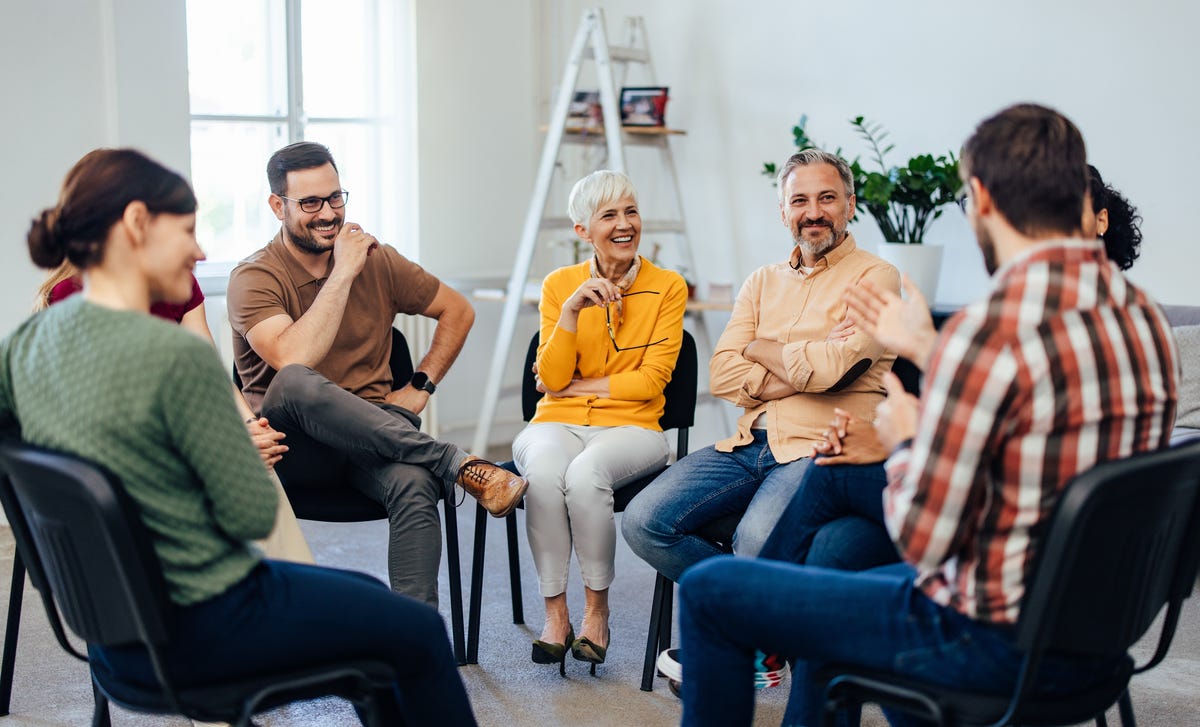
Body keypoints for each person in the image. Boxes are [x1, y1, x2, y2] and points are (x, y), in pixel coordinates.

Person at [674, 104, 1179, 727]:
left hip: (988, 636)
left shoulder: (988, 332)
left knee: (709, 591)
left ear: (984, 201)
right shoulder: (1142, 313)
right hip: (1097, 629)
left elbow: (926, 538)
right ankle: (781, 619)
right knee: (835, 544)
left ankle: (761, 620)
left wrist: (907, 439)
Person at [1, 148, 476, 724]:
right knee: (417, 627)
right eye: (188, 232)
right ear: (135, 226)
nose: (200, 251)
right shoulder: (174, 355)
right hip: (208, 623)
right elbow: (251, 513)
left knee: (365, 598)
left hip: (111, 640)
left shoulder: (21, 349)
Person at [754, 161, 1148, 572]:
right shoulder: (1074, 311)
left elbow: (1015, 445)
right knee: (837, 544)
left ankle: (744, 605)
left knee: (828, 478)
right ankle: (776, 621)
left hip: (1018, 518)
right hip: (1013, 495)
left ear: (1100, 220)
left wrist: (899, 444)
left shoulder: (1080, 321)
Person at [226, 141, 527, 606]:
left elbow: (458, 310)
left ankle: (415, 638)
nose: (328, 214)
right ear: (277, 206)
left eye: (335, 198)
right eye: (310, 203)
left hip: (375, 437)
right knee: (292, 380)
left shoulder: (378, 258)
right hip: (297, 451)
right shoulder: (255, 277)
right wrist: (342, 271)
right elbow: (294, 357)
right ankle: (455, 462)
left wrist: (420, 386)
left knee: (413, 482)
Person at [621, 148, 900, 584]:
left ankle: (743, 628)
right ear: (783, 211)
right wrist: (807, 365)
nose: (813, 213)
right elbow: (722, 375)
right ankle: (750, 622)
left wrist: (761, 346)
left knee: (755, 543)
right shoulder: (762, 281)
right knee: (644, 521)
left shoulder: (877, 277)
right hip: (747, 443)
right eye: (799, 201)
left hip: (819, 447)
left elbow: (834, 371)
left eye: (826, 198)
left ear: (851, 205)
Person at [513, 170, 686, 674]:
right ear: (583, 230)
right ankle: (556, 614)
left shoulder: (667, 287)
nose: (625, 223)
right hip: (556, 422)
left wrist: (577, 387)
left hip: (635, 429)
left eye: (630, 211)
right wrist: (568, 315)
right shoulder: (558, 285)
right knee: (544, 472)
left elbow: (651, 382)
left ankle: (596, 613)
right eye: (609, 215)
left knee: (585, 475)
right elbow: (550, 376)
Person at [35, 260, 313, 565]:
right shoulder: (74, 293)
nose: (197, 251)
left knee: (257, 460)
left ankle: (272, 586)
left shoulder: (179, 282)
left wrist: (249, 424)